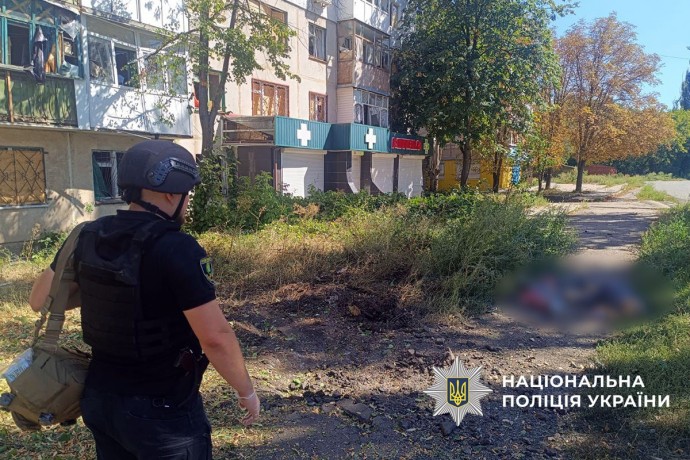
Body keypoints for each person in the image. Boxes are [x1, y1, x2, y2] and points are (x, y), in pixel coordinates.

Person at [28, 140, 259, 459]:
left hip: (99, 399)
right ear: (172, 194)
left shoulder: (88, 235)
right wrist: (246, 391)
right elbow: (215, 338)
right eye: (188, 194)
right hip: (162, 413)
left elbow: (39, 299)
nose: (188, 203)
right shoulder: (178, 248)